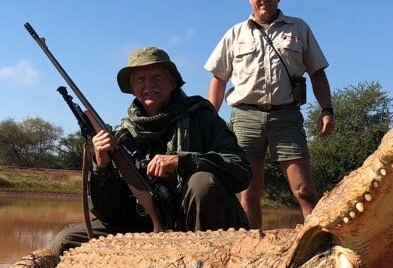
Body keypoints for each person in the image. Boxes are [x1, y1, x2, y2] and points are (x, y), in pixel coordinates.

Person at [48, 46, 251, 254]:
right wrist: (102, 166)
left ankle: (204, 263)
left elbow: (241, 171)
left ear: (172, 82)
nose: (149, 85)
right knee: (65, 240)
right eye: (140, 80)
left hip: (201, 228)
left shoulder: (203, 118)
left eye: (157, 77)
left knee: (202, 182)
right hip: (145, 225)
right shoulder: (121, 135)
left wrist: (181, 162)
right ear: (132, 89)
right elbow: (109, 215)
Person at [205, 0, 334, 228]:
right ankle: (254, 251)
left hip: (286, 117)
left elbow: (318, 73)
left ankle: (319, 247)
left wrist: (327, 109)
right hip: (245, 117)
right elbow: (218, 78)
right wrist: (209, 118)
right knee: (249, 192)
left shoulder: (299, 28)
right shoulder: (235, 33)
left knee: (305, 190)